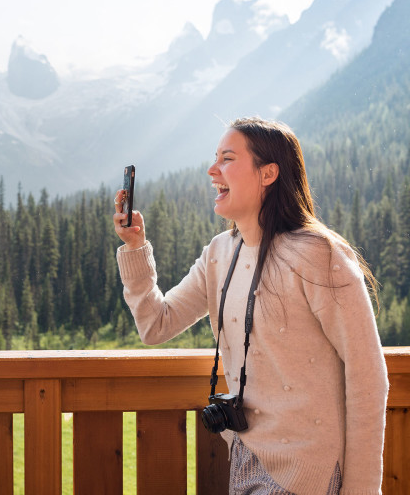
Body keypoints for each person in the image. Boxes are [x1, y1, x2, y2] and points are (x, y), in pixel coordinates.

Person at [113, 117, 389, 494]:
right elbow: (155, 325)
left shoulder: (319, 255)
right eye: (215, 159)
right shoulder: (219, 254)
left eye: (227, 158)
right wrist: (134, 248)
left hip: (307, 471)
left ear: (268, 173)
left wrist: (361, 490)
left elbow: (368, 376)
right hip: (244, 457)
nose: (212, 170)